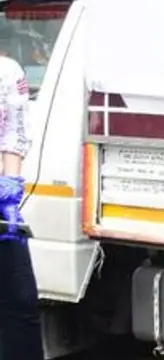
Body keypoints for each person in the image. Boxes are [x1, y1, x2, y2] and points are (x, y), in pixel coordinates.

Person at [0, 23, 41, 360]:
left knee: (21, 301)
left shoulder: (7, 72)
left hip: (0, 205)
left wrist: (10, 189)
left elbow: (14, 132)